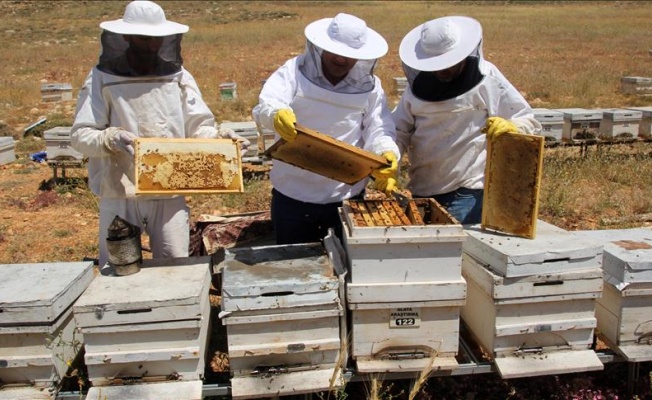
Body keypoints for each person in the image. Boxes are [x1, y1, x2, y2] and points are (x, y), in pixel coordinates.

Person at [71, 0, 249, 268]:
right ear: (126, 37)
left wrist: (223, 141)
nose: (152, 46)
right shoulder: (101, 78)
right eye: (144, 39)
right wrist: (111, 139)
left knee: (175, 268)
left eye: (157, 39)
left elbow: (198, 128)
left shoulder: (179, 77)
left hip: (169, 190)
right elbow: (81, 135)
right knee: (119, 270)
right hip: (120, 191)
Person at [253, 13, 400, 245]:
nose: (341, 60)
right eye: (335, 52)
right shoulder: (293, 71)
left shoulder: (372, 88)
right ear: (320, 47)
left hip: (345, 196)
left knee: (346, 269)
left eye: (350, 55)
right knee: (294, 267)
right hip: (293, 193)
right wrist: (275, 115)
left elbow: (379, 128)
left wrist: (386, 152)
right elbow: (268, 102)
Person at [392, 16, 541, 224]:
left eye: (448, 63)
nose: (441, 70)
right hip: (422, 188)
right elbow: (399, 130)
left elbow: (527, 120)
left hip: (467, 192)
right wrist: (390, 157)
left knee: (453, 251)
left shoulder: (487, 78)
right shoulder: (416, 87)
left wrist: (512, 126)